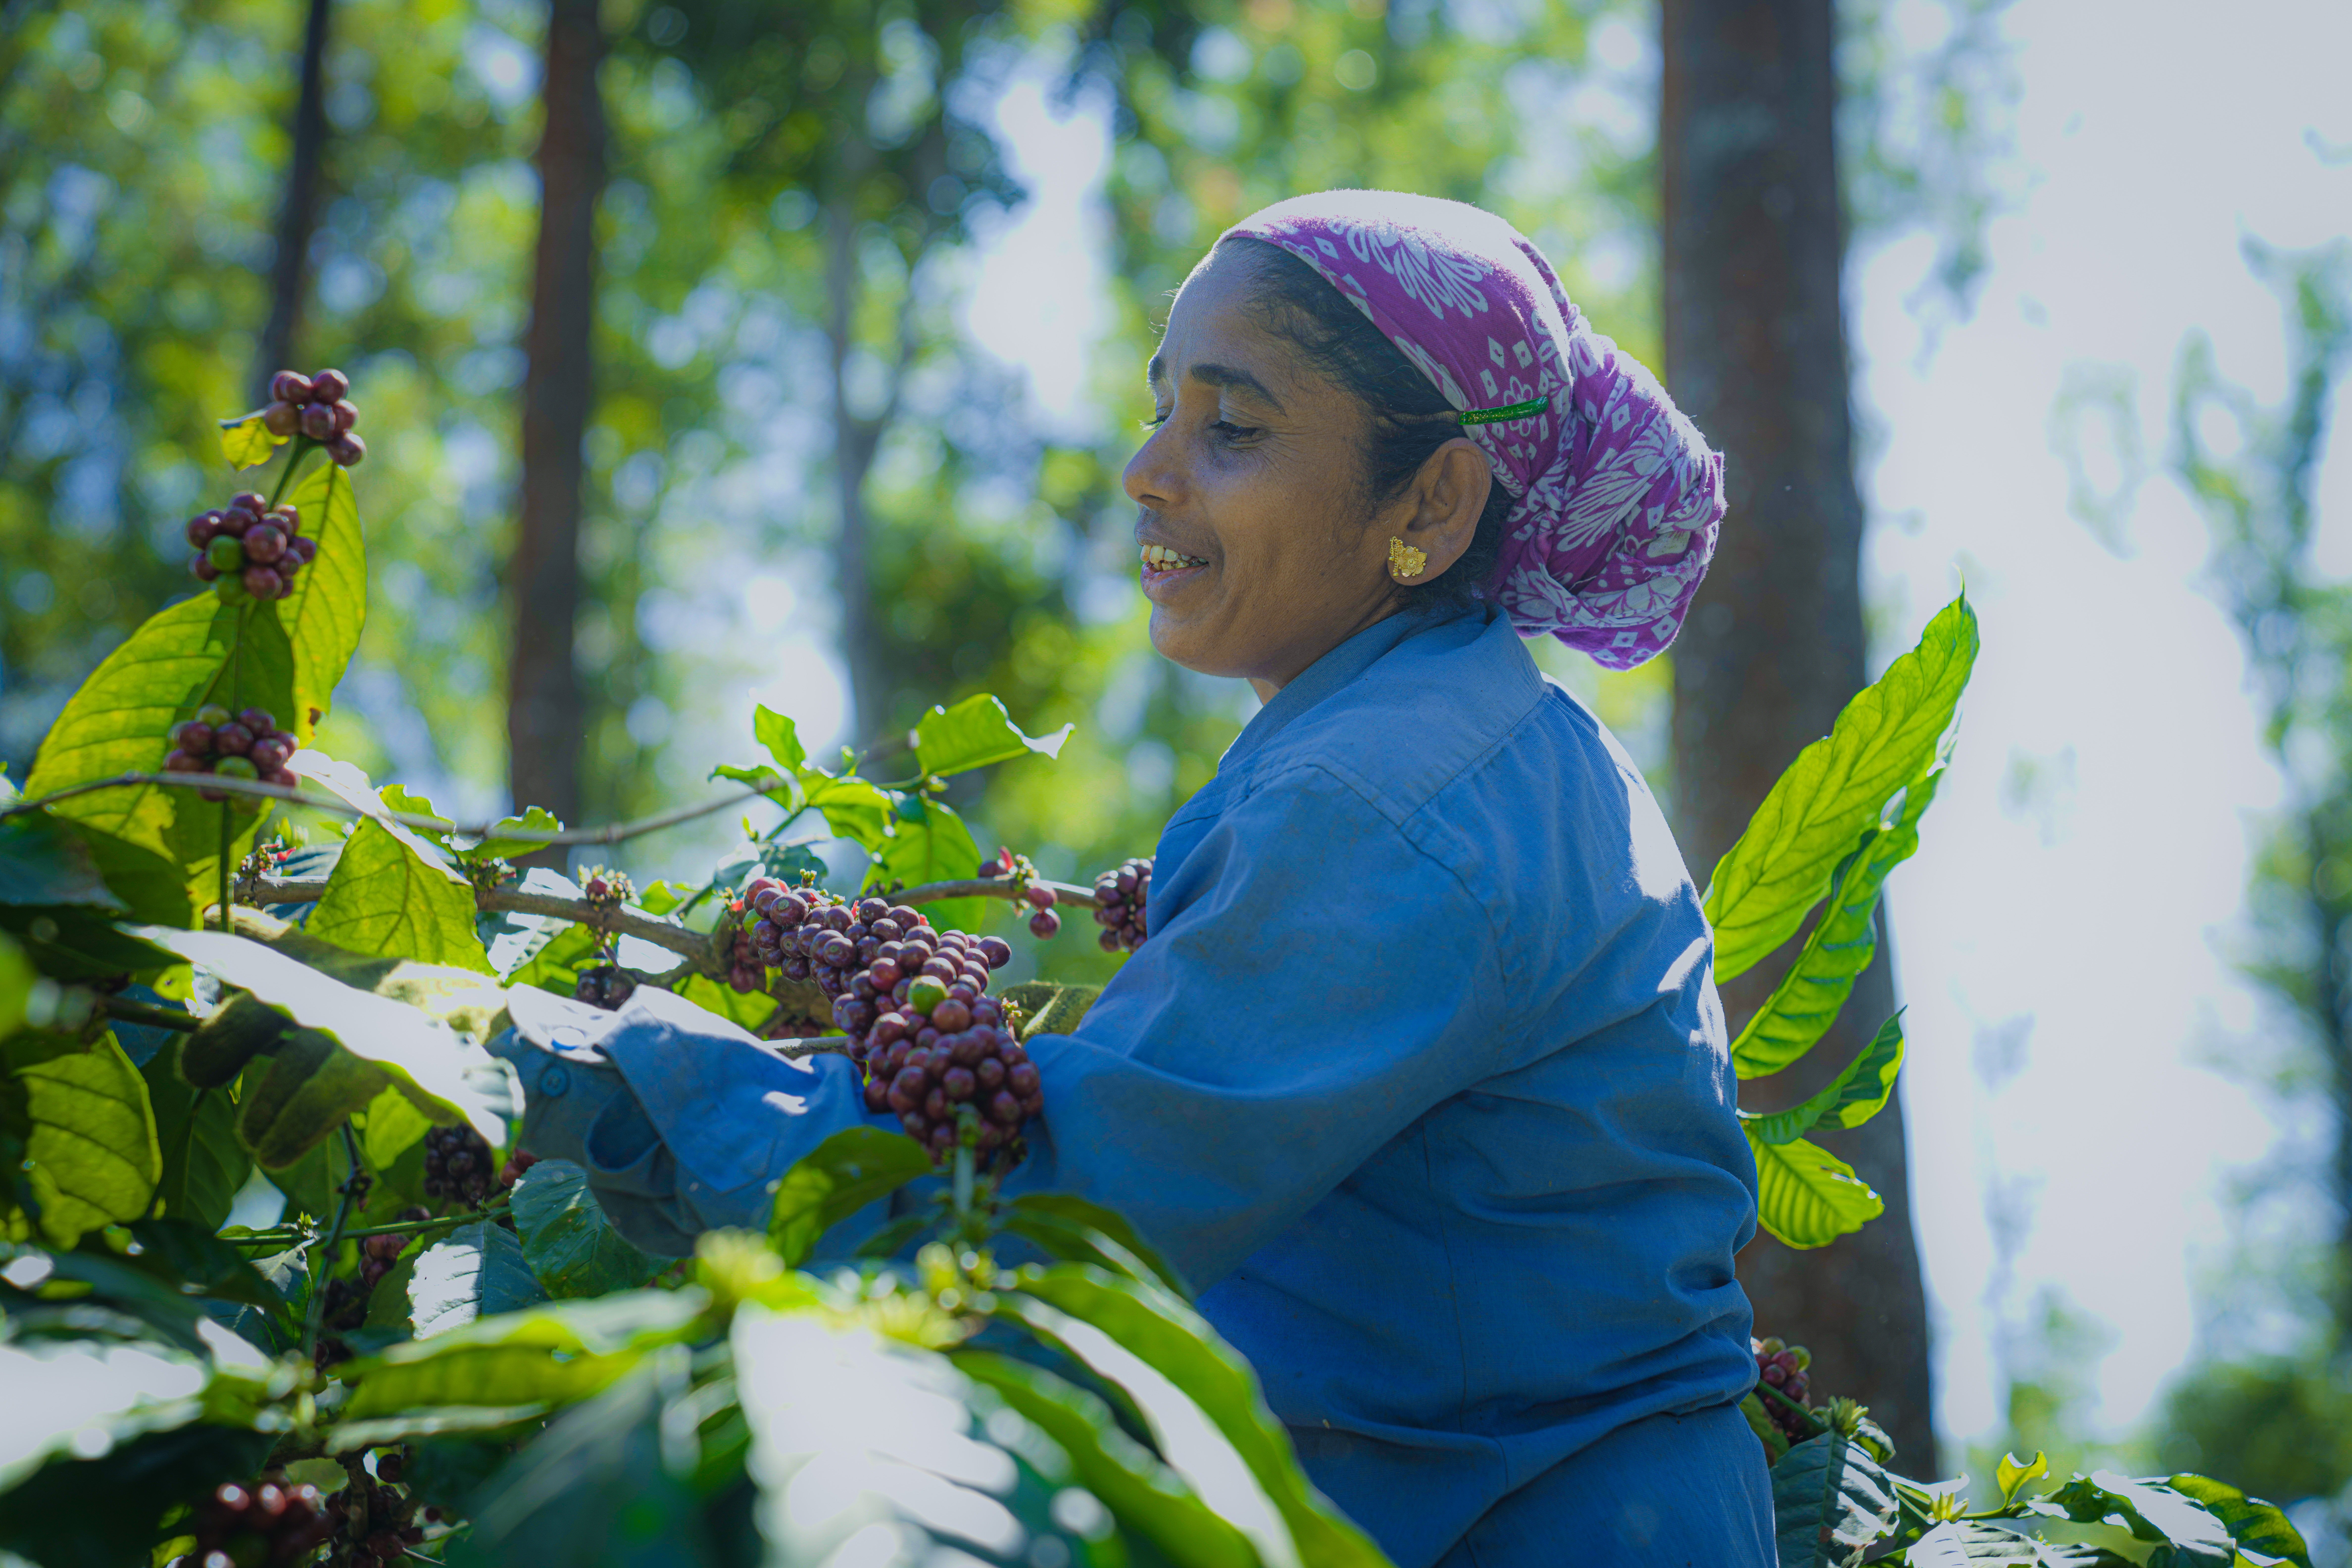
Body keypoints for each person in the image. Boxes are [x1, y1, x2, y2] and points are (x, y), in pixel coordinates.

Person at [496, 189, 1771, 1567]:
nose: (1150, 471)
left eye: (1234, 427)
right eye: (1162, 409)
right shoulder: (1480, 742)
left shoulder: (1384, 800)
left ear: (1432, 502)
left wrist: (612, 1077)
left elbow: (1060, 1202)